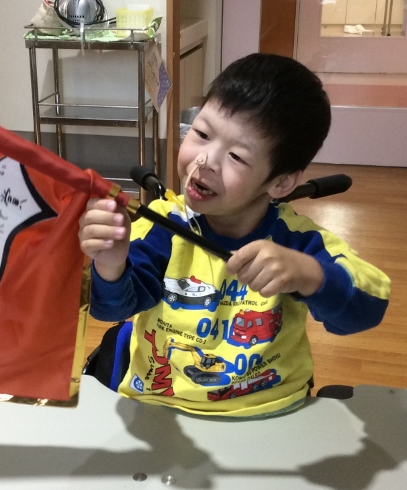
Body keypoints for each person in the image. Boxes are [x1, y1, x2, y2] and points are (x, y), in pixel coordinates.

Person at [79, 53, 390, 418]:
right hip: (162, 407)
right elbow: (112, 309)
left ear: (281, 182)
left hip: (270, 409)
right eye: (201, 134)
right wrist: (110, 265)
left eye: (237, 157)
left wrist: (310, 276)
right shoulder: (162, 227)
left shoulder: (298, 242)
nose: (205, 161)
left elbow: (367, 308)